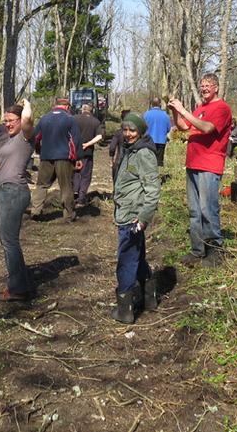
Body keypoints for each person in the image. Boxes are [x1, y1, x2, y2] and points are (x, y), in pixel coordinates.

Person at [168, 73, 232, 267]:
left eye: (208, 85)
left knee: (207, 209)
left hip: (209, 165)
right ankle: (198, 250)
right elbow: (184, 126)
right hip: (193, 164)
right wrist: (175, 111)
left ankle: (215, 251)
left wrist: (183, 109)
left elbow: (206, 128)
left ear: (216, 88)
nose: (204, 88)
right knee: (195, 211)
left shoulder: (222, 108)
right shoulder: (201, 108)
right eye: (202, 85)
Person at [111, 113, 162, 323]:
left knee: (126, 260)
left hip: (133, 218)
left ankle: (125, 310)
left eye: (132, 130)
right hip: (126, 212)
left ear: (140, 132)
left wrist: (143, 218)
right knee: (137, 257)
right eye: (125, 130)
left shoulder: (143, 154)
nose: (128, 134)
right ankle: (149, 298)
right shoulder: (130, 150)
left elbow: (153, 189)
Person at [0, 100, 36, 302]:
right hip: (3, 191)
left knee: (9, 241)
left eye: (11, 120)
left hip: (14, 192)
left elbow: (28, 119)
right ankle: (20, 282)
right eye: (5, 120)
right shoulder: (7, 139)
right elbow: (4, 162)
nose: (7, 124)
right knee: (7, 239)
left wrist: (27, 105)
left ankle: (18, 289)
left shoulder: (25, 136)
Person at [30, 97, 83, 222]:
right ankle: (68, 215)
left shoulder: (44, 118)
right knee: (66, 187)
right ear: (67, 107)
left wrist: (38, 150)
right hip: (64, 157)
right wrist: (77, 158)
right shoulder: (70, 119)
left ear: (55, 105)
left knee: (41, 185)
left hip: (46, 157)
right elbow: (75, 141)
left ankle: (35, 210)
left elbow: (36, 137)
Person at [74, 103, 104, 209]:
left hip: (74, 151)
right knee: (86, 175)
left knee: (75, 172)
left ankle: (74, 193)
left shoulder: (74, 119)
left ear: (82, 109)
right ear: (92, 111)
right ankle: (81, 198)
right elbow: (99, 136)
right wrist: (87, 144)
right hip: (87, 152)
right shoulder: (95, 121)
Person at [143, 98, 172, 167]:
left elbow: (142, 128)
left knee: (148, 161)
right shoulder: (165, 115)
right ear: (160, 104)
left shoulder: (146, 115)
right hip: (161, 141)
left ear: (151, 104)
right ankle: (158, 176)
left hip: (148, 141)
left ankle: (148, 176)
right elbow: (168, 129)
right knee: (159, 162)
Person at [109, 108, 131, 180]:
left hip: (119, 160)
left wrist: (112, 158)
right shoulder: (136, 134)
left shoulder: (118, 133)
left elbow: (112, 147)